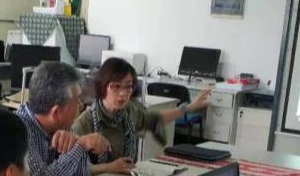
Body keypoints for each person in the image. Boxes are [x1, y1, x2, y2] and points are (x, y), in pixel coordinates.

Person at [71, 57, 212, 169]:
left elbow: (154, 120)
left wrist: (189, 108)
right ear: (103, 86)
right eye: (116, 86)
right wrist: (110, 168)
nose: (123, 93)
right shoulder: (84, 124)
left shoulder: (128, 112)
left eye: (128, 87)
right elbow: (75, 172)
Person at [15, 62, 115, 176]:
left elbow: (80, 175)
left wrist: (74, 142)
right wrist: (81, 145)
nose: (81, 106)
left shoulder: (57, 126)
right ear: (56, 112)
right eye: (77, 101)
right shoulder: (19, 130)